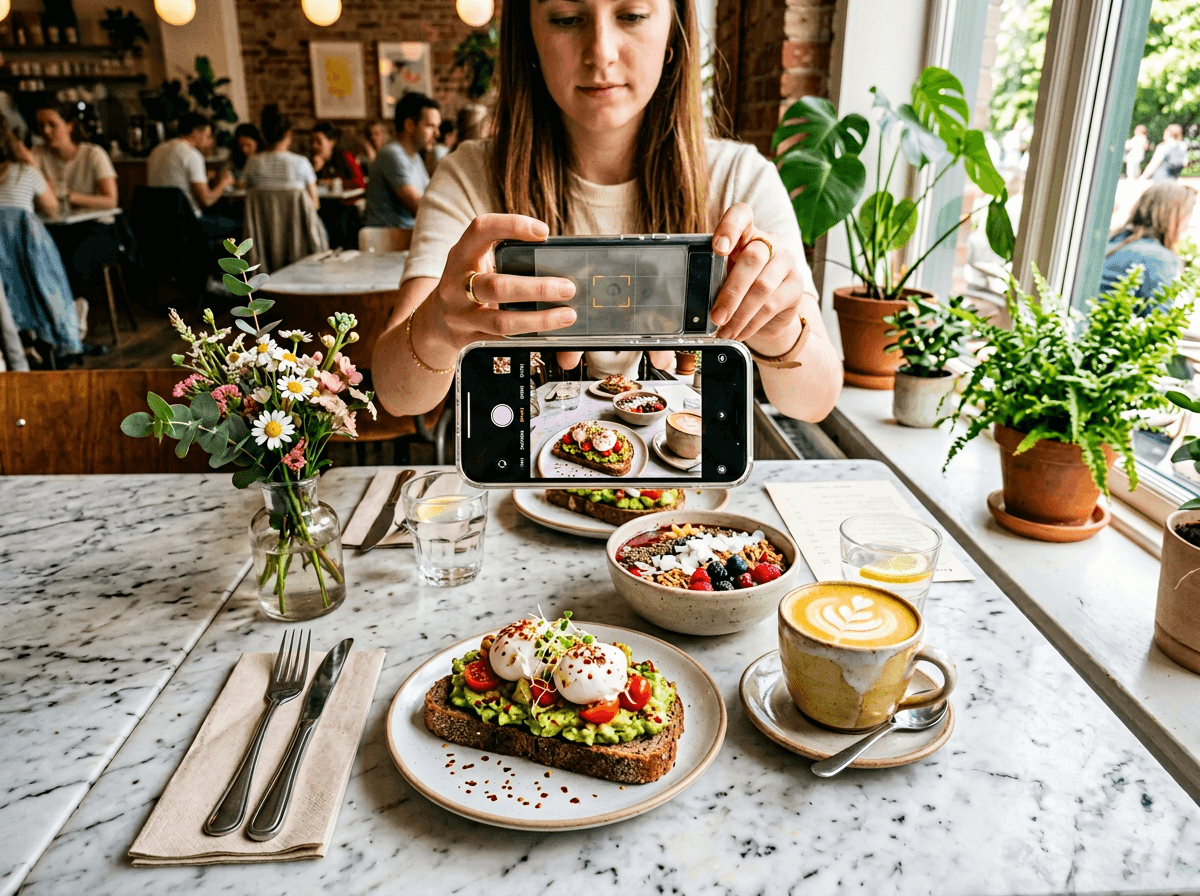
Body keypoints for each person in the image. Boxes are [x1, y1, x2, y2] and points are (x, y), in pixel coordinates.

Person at [371, 0, 841, 423]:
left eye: (632, 15)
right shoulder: (468, 176)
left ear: (674, 33)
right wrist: (437, 326)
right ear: (528, 36)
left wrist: (781, 330)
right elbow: (397, 395)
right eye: (566, 19)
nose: (601, 53)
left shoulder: (741, 178)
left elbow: (816, 400)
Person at [146, 111, 237, 243]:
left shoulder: (157, 150)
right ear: (195, 132)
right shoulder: (191, 155)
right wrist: (224, 183)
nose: (209, 140)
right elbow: (206, 200)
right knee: (242, 226)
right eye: (207, 135)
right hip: (188, 223)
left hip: (158, 221)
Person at [1100, 182, 1197, 307]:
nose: (1187, 227)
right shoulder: (1158, 258)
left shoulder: (1113, 241)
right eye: (1188, 216)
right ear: (1176, 218)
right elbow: (1158, 319)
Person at [363, 92, 441, 229]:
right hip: (389, 244)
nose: (437, 133)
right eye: (430, 126)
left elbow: (431, 197)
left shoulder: (415, 156)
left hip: (407, 238)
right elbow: (420, 208)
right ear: (410, 125)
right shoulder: (391, 154)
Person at [32, 100, 117, 213]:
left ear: (69, 126)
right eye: (41, 126)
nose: (46, 131)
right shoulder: (37, 154)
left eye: (52, 125)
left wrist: (67, 196)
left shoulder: (93, 154)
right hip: (56, 224)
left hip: (94, 223)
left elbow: (111, 201)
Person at [242, 105, 319, 209]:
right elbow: (314, 205)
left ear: (264, 135)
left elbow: (248, 199)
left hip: (265, 224)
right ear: (288, 134)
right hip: (295, 225)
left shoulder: (252, 163)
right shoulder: (301, 163)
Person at [310, 121, 365, 189]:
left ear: (332, 142)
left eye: (319, 142)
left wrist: (335, 183)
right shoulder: (312, 161)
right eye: (312, 141)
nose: (314, 145)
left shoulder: (345, 156)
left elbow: (360, 182)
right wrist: (315, 170)